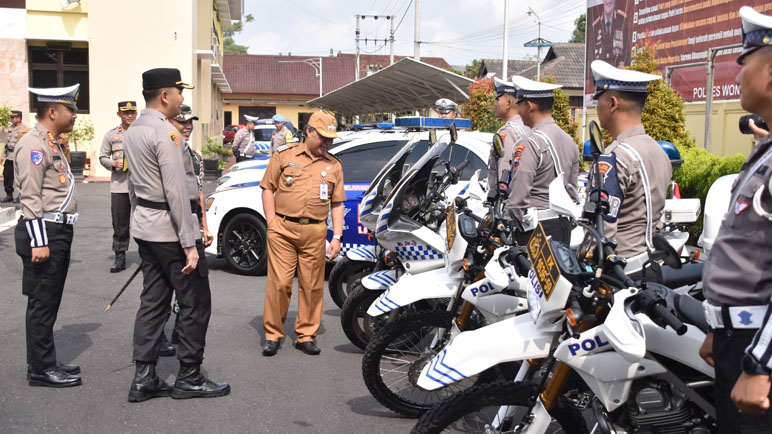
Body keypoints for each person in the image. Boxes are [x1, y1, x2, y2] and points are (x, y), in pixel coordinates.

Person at [123, 68, 229, 402]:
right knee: (195, 303)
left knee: (153, 303)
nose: (182, 99)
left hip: (146, 227)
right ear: (165, 95)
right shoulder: (166, 133)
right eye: (180, 92)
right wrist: (190, 243)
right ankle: (189, 376)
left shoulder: (133, 129)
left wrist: (138, 225)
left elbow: (132, 188)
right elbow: (176, 192)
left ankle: (145, 377)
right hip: (171, 231)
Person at [698, 6, 772, 432]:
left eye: (744, 62)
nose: (737, 74)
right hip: (740, 341)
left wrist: (761, 362)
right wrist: (719, 326)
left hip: (758, 351)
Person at [260, 111, 345, 357]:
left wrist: (337, 236)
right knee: (280, 284)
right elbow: (267, 188)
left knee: (312, 286)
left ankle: (306, 335)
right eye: (323, 137)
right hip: (283, 229)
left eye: (331, 138)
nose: (328, 142)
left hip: (315, 231)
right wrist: (272, 221)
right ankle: (273, 335)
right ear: (309, 132)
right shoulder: (284, 156)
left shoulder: (334, 164)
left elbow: (337, 203)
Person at [14, 84, 82, 387]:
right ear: (53, 111)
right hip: (44, 233)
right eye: (71, 110)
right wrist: (40, 241)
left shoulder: (51, 142)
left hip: (56, 231)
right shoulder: (34, 144)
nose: (75, 115)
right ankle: (41, 370)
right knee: (42, 303)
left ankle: (45, 361)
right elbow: (30, 197)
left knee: (48, 302)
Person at [590, 60, 672, 262]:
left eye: (598, 99)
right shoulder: (659, 150)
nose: (596, 106)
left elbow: (601, 232)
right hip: (650, 262)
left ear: (612, 103)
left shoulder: (613, 158)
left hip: (619, 271)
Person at [506, 75, 579, 245]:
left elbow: (518, 200)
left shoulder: (529, 143)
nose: (518, 110)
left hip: (535, 231)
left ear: (529, 106)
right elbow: (572, 190)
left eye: (520, 104)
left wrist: (507, 226)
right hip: (562, 227)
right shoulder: (570, 142)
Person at [167, 104, 214, 351]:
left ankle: (179, 330)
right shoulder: (164, 150)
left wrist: (204, 226)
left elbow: (198, 192)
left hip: (191, 224)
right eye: (182, 122)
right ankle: (160, 338)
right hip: (168, 228)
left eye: (190, 122)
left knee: (193, 286)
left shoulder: (193, 156)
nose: (187, 126)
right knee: (165, 286)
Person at [98, 101, 138, 273]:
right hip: (119, 185)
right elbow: (102, 156)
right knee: (120, 223)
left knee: (143, 222)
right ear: (119, 114)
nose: (129, 115)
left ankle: (146, 257)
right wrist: (112, 163)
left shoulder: (142, 133)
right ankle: (120, 256)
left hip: (140, 185)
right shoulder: (112, 135)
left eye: (132, 112)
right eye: (125, 113)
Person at [489, 78, 530, 194]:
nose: (496, 103)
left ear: (508, 103)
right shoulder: (525, 126)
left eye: (498, 99)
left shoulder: (509, 132)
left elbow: (504, 173)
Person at [592, 0, 627, 67]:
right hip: (602, 69)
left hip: (617, 69)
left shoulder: (622, 20)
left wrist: (622, 63)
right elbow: (592, 53)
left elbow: (626, 48)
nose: (608, 1)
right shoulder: (596, 25)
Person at [2, 110, 27, 203]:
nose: (11, 119)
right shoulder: (11, 128)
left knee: (20, 177)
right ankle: (9, 195)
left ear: (19, 118)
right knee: (7, 175)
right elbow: (6, 143)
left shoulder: (24, 129)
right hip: (9, 156)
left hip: (19, 156)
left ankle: (21, 195)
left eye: (13, 117)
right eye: (11, 117)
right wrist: (2, 155)